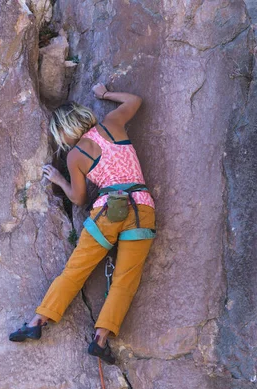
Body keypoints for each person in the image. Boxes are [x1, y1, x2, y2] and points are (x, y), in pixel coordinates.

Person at [8, 83, 156, 365]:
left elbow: (77, 198)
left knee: (75, 271)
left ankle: (37, 322)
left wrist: (60, 180)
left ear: (62, 132)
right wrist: (106, 95)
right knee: (125, 280)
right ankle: (100, 339)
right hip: (141, 208)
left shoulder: (75, 156)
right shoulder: (111, 124)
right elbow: (135, 97)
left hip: (106, 213)